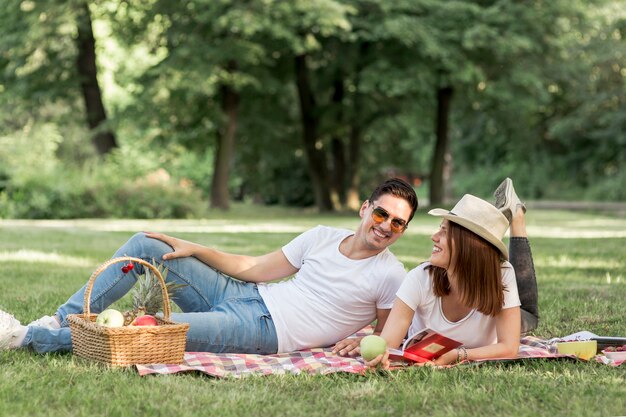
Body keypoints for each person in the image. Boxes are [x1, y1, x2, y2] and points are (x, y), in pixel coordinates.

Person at [0, 178, 418, 355]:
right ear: (365, 209)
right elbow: (253, 266)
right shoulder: (323, 236)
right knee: (149, 244)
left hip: (264, 331)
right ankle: (61, 318)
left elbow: (386, 331)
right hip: (245, 294)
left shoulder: (390, 275)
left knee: (146, 333)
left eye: (398, 223)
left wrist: (364, 340)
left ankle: (25, 338)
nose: (386, 227)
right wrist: (194, 248)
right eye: (381, 214)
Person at [363, 178, 539, 367]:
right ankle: (497, 219)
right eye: (439, 229)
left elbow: (509, 348)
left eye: (445, 232)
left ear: (469, 246)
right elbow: (388, 345)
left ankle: (517, 216)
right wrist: (380, 357)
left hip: (501, 305)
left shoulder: (502, 273)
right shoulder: (420, 277)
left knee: (529, 316)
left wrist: (457, 355)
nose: (434, 237)